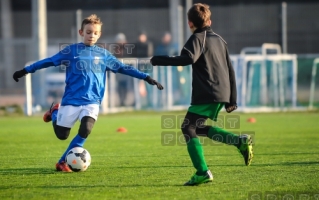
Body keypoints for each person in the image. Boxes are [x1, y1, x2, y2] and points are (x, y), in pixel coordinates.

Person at [13, 14, 163, 172]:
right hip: (71, 100)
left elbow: (123, 68)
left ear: (99, 34)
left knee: (86, 129)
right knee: (62, 135)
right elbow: (49, 61)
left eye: (95, 33)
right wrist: (25, 70)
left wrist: (145, 76)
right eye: (88, 32)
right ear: (81, 32)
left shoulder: (104, 54)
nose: (92, 35)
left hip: (92, 101)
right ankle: (55, 112)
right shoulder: (71, 51)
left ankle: (62, 162)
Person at [151, 3, 253, 186]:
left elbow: (188, 58)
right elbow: (230, 69)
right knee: (196, 128)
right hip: (222, 91)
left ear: (190, 23)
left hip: (208, 91)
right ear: (209, 20)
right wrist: (233, 98)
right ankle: (239, 141)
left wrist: (158, 60)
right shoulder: (221, 40)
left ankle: (202, 172)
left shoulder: (197, 38)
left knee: (187, 128)